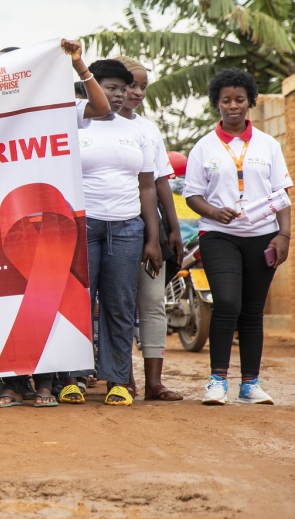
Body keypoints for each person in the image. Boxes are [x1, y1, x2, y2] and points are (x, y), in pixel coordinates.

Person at [58, 58, 161, 407]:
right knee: (78, 303)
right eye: (111, 88)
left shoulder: (139, 131)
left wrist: (152, 237)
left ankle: (116, 380)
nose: (119, 95)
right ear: (92, 86)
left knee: (119, 305)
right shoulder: (75, 119)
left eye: (123, 88)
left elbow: (147, 187)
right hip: (82, 227)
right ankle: (72, 378)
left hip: (127, 227)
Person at [184, 69, 290, 405]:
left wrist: (284, 234)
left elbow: (282, 192)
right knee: (227, 302)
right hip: (219, 235)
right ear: (216, 103)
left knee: (252, 311)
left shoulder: (268, 145)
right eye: (226, 100)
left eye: (239, 100)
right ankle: (217, 381)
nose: (233, 106)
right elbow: (192, 195)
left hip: (263, 236)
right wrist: (214, 212)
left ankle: (250, 384)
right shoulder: (204, 147)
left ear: (250, 103)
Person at [114, 56, 185, 401]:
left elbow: (160, 182)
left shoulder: (148, 128)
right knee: (118, 303)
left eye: (143, 86)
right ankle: (122, 377)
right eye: (131, 85)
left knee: (153, 301)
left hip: (149, 229)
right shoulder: (94, 124)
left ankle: (154, 382)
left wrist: (172, 229)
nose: (138, 92)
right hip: (112, 223)